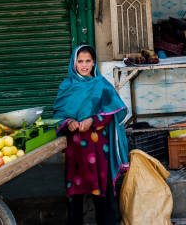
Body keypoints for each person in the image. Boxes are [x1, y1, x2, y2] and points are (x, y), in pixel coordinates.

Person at [54, 45, 130, 225]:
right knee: (75, 191)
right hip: (76, 150)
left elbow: (112, 111)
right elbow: (58, 115)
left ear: (94, 62)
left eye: (88, 61)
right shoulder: (66, 86)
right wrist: (68, 123)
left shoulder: (101, 85)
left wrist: (93, 120)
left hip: (98, 148)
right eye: (80, 61)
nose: (84, 65)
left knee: (102, 190)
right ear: (74, 63)